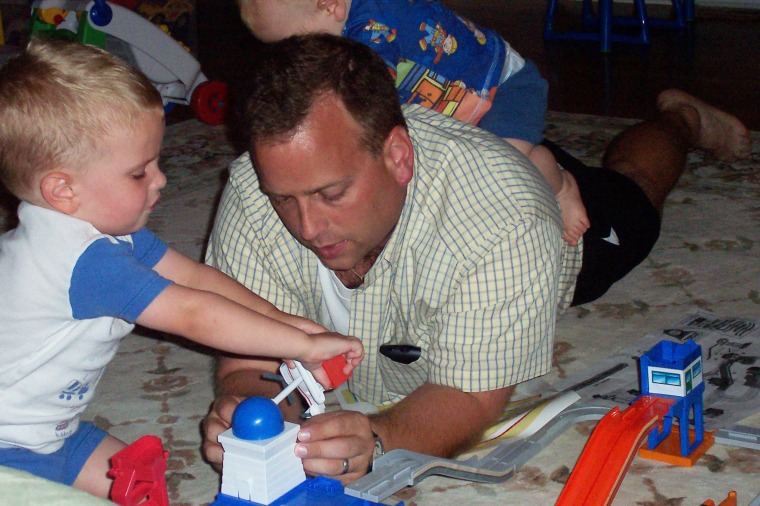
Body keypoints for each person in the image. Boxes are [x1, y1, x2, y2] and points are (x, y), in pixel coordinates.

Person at [201, 34, 751, 484]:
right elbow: (247, 358)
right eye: (284, 199)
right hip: (470, 170)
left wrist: (376, 438)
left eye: (331, 193)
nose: (306, 226)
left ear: (397, 156)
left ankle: (681, 119)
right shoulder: (253, 189)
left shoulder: (505, 221)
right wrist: (252, 410)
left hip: (553, 227)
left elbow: (471, 394)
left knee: (632, 191)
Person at [0, 37, 364, 499]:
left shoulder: (104, 235)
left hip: (50, 435)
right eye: (139, 173)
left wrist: (290, 326)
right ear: (62, 190)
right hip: (7, 444)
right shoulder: (80, 261)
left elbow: (196, 278)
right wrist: (302, 346)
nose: (161, 180)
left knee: (145, 486)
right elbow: (194, 313)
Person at [234, 0, 590, 246]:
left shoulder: (372, 30)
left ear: (331, 5)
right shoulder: (348, 16)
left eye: (298, 42)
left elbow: (365, 96)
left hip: (501, 88)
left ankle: (556, 182)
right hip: (454, 105)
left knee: (499, 168)